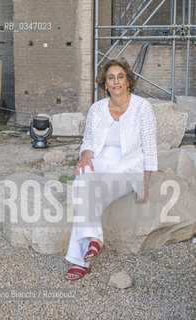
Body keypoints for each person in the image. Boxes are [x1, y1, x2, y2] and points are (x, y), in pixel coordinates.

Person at [65, 58, 158, 280]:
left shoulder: (142, 107)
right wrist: (86, 155)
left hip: (128, 165)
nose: (116, 81)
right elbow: (88, 141)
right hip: (100, 159)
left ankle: (78, 260)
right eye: (111, 78)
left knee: (88, 193)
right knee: (82, 178)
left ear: (128, 81)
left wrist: (143, 183)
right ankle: (95, 238)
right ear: (105, 84)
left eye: (120, 76)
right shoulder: (97, 109)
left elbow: (150, 147)